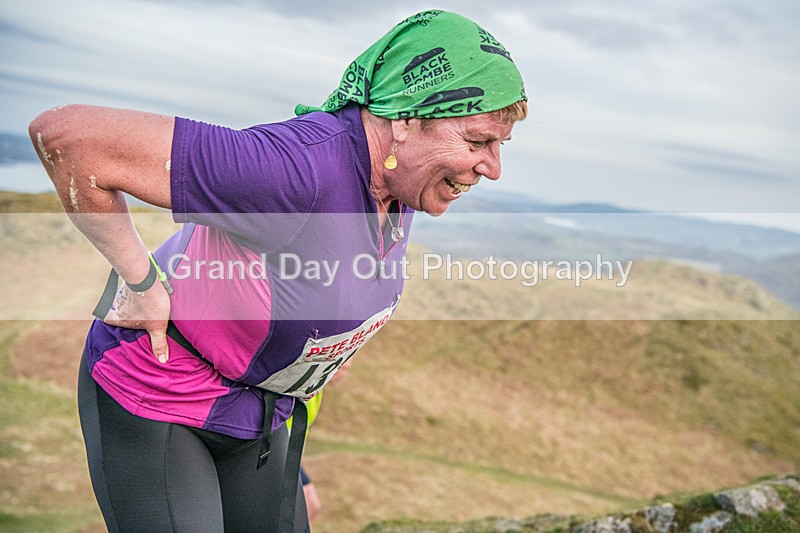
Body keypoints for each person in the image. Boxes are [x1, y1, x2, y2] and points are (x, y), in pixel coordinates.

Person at [28, 9, 527, 533]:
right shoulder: (293, 170)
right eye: (476, 143)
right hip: (160, 396)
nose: (493, 166)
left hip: (257, 412)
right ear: (405, 119)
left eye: (499, 146)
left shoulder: (396, 184)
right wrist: (141, 282)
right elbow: (67, 136)